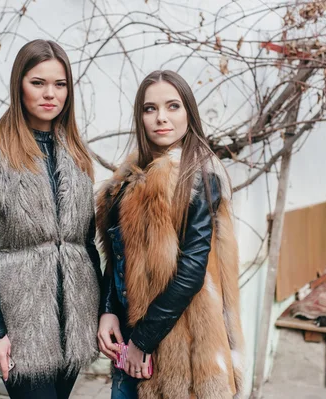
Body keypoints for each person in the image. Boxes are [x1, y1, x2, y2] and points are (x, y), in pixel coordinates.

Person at [0, 39, 101, 399]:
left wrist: (101, 315)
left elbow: (85, 245)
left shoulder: (77, 152)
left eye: (60, 84)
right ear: (18, 85)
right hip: (21, 322)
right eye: (37, 82)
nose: (50, 94)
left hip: (75, 321)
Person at [96, 70, 245, 399]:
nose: (161, 117)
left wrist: (142, 341)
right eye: (150, 109)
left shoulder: (199, 178)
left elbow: (191, 273)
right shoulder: (129, 180)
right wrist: (108, 309)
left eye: (172, 106)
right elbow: (119, 256)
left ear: (189, 113)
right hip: (129, 345)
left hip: (182, 354)